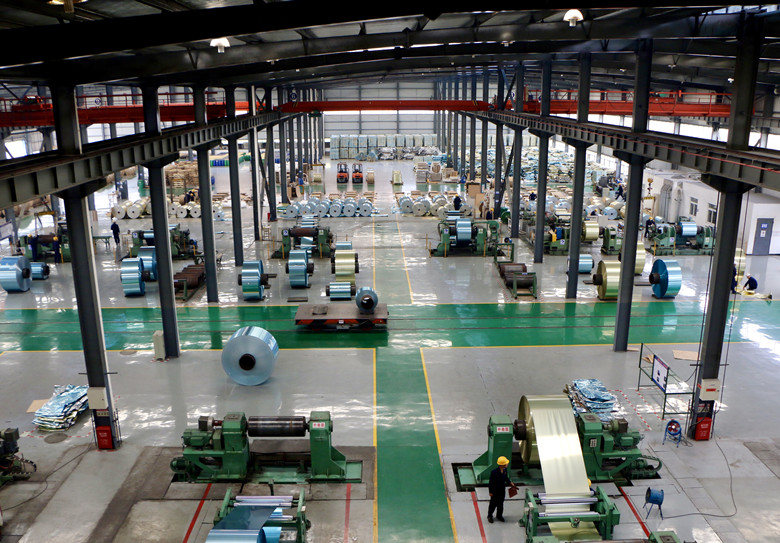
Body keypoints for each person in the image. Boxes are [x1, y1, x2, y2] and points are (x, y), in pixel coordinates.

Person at [487, 456, 516, 523]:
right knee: (493, 504)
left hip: (502, 490)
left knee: (500, 504)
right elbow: (491, 483)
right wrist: (491, 492)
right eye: (506, 463)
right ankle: (489, 516)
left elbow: (505, 478)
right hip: (495, 491)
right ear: (503, 464)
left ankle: (499, 515)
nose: (507, 464)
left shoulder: (505, 470)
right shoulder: (494, 472)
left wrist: (510, 482)